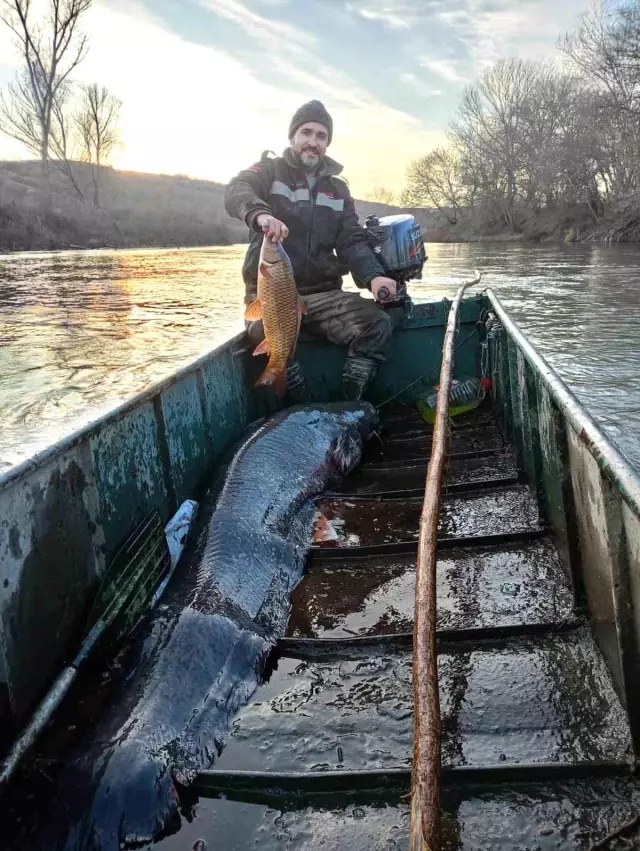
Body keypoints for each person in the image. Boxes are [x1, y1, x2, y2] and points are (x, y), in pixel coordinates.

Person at [223, 99, 399, 401]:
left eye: (321, 136)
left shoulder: (338, 190)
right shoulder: (269, 172)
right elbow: (236, 190)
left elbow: (351, 241)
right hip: (271, 296)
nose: (312, 142)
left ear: (327, 143)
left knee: (378, 324)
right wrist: (261, 215)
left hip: (322, 295)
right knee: (258, 331)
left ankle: (348, 402)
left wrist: (374, 277)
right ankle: (298, 404)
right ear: (293, 136)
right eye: (306, 132)